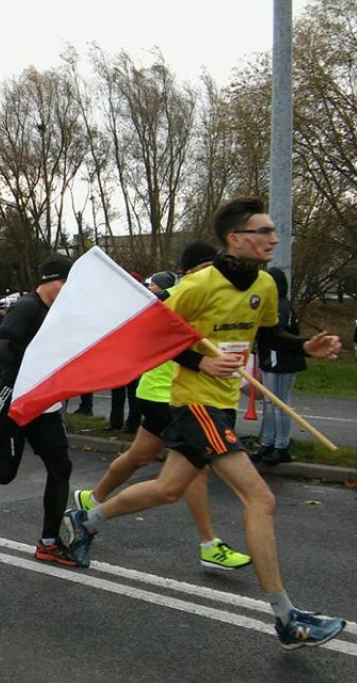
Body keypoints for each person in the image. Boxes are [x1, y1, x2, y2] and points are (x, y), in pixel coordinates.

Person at [65, 197, 346, 649]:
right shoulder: (198, 285)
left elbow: (271, 336)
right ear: (237, 239)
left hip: (223, 403)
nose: (274, 238)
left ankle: (85, 519)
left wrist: (306, 347)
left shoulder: (267, 284)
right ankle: (286, 618)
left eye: (274, 231)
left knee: (168, 488)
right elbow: (149, 333)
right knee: (260, 498)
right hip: (194, 403)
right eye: (264, 231)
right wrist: (197, 361)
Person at [71, 243, 251, 572]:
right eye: (206, 267)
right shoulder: (181, 294)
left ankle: (91, 499)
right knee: (198, 466)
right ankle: (209, 544)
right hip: (164, 392)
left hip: (167, 393)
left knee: (140, 456)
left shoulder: (214, 295)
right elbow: (145, 332)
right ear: (191, 270)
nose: (212, 273)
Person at [0, 257, 79, 568]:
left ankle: (49, 542)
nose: (67, 290)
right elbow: (0, 351)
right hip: (15, 399)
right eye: (63, 283)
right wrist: (26, 379)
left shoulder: (59, 310)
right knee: (4, 473)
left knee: (61, 467)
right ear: (48, 280)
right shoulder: (27, 307)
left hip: (46, 404)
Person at [252, 267, 305, 466]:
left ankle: (281, 447)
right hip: (269, 358)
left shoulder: (281, 305)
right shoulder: (270, 304)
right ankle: (267, 443)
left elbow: (276, 333)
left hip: (283, 360)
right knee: (269, 403)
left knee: (280, 404)